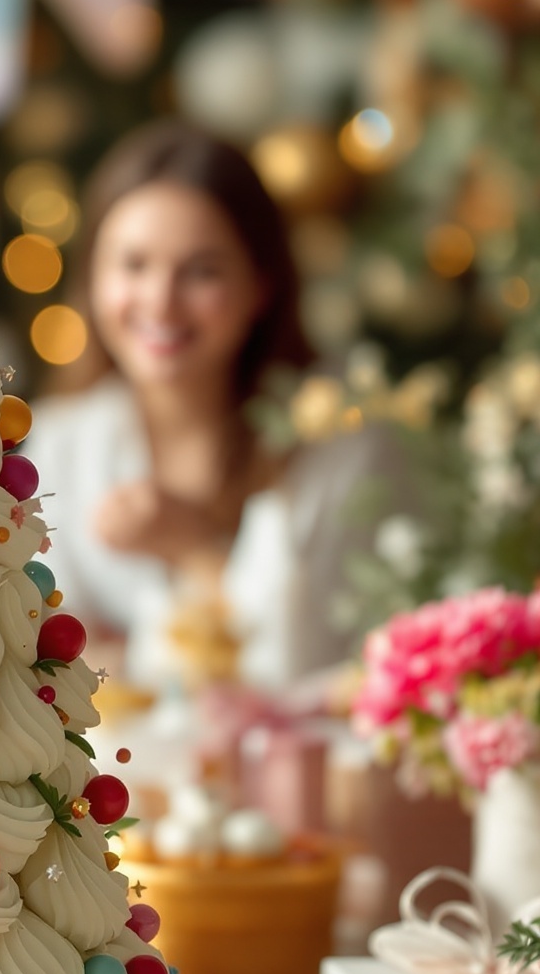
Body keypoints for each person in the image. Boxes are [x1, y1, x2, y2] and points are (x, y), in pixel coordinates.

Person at [29, 119, 395, 690]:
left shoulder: (339, 439)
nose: (161, 302)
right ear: (94, 277)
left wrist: (195, 547)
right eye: (133, 265)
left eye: (202, 271)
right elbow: (37, 656)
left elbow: (301, 668)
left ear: (261, 285)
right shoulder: (62, 441)